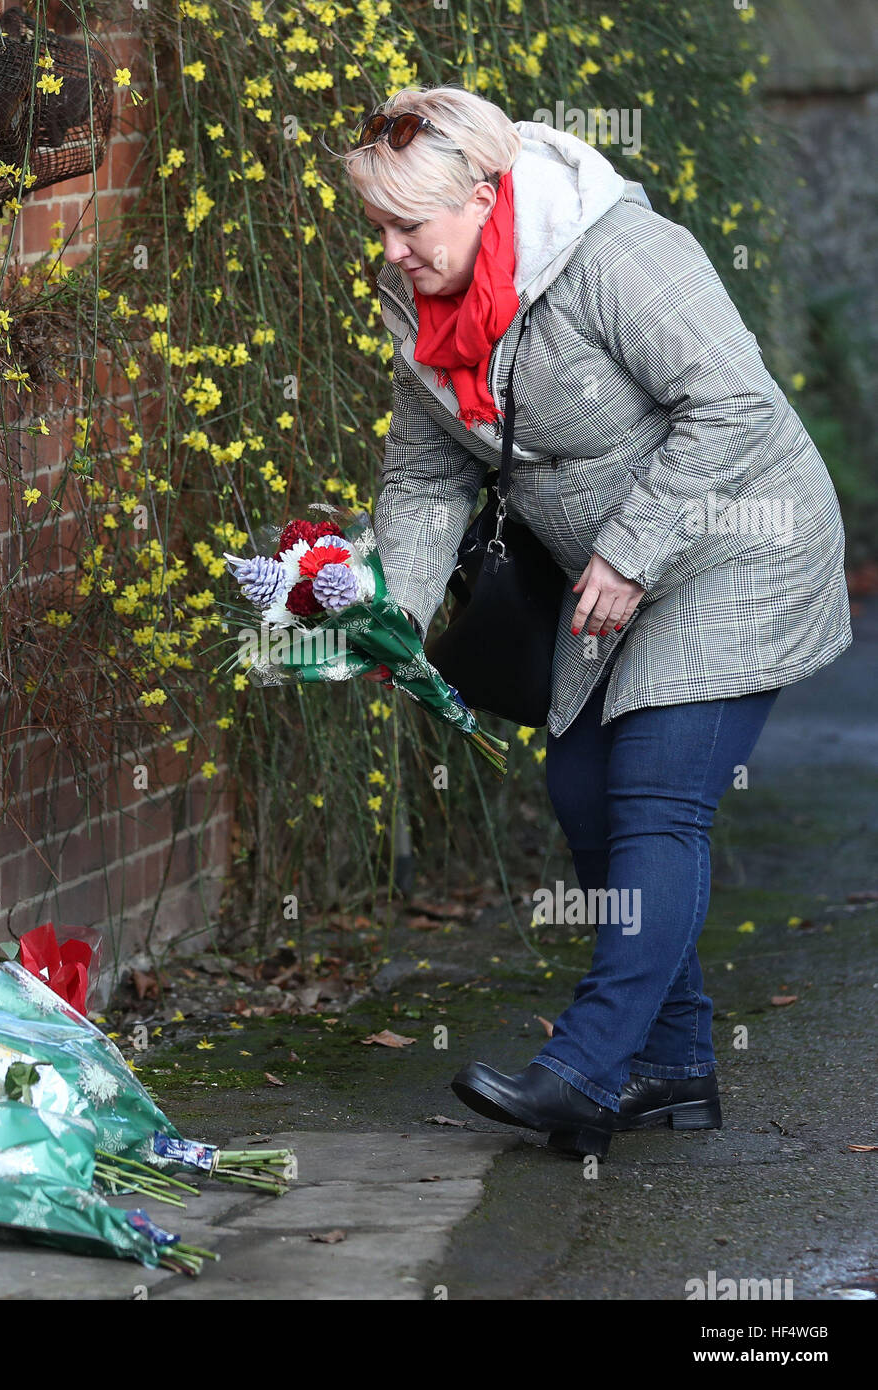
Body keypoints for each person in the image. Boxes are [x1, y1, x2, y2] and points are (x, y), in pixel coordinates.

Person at [337, 85, 853, 1160]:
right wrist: (392, 610)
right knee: (579, 785)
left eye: (406, 227)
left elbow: (735, 403)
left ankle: (581, 1068)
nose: (388, 252)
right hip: (603, 574)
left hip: (732, 540)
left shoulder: (616, 252)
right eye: (377, 227)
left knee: (656, 793)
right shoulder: (420, 303)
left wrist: (631, 548)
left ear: (485, 196)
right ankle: (671, 1063)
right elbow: (428, 473)